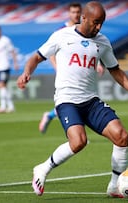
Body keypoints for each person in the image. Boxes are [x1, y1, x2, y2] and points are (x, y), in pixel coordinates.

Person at [17, 1, 128, 197]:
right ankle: (42, 168)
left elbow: (115, 70)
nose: (99, 27)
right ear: (83, 18)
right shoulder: (61, 36)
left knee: (122, 136)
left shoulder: (103, 41)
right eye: (96, 22)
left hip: (91, 101)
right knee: (79, 141)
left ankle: (114, 186)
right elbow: (36, 57)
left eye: (102, 23)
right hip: (67, 100)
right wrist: (26, 73)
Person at [38, 2, 105, 134]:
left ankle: (51, 116)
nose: (75, 15)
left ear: (82, 14)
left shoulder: (87, 30)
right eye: (73, 12)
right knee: (70, 100)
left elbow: (89, 50)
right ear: (69, 14)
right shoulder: (61, 31)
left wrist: (98, 64)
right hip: (66, 73)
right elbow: (50, 52)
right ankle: (54, 118)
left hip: (83, 71)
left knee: (83, 99)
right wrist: (58, 68)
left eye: (78, 12)